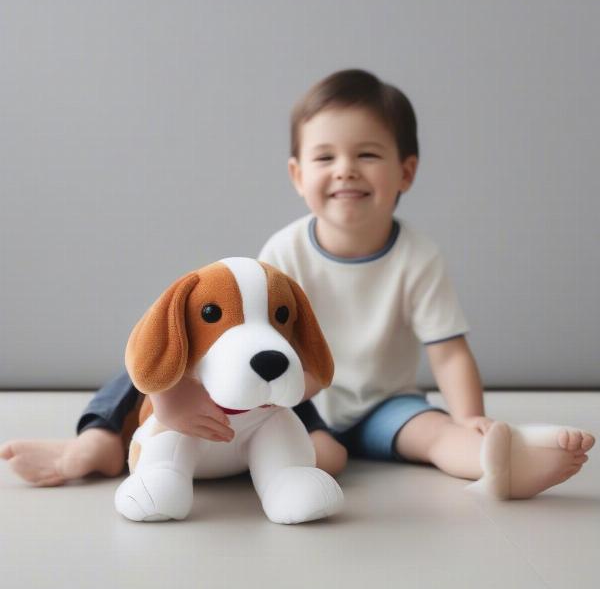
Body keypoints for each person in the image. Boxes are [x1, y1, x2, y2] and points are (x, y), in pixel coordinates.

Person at [1, 69, 594, 498]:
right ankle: (101, 445)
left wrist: (470, 416)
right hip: (293, 401)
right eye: (325, 157)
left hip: (379, 407)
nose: (345, 170)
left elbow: (448, 349)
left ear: (405, 172)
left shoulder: (418, 256)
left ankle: (502, 464)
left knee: (436, 434)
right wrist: (183, 394)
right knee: (158, 367)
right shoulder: (283, 252)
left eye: (367, 154)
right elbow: (241, 343)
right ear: (297, 174)